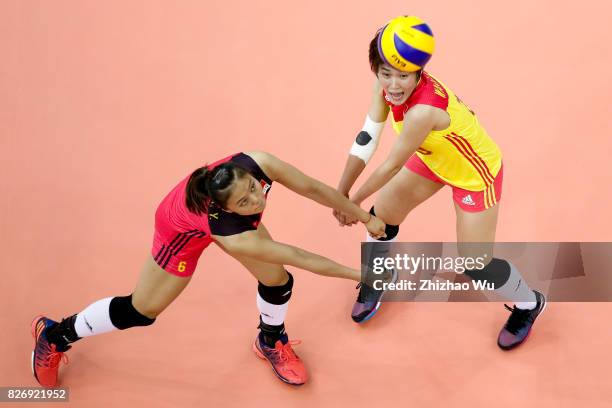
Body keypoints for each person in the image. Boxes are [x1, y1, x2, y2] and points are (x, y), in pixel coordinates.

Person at [31, 151, 386, 388]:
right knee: (142, 311)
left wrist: (365, 217)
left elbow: (311, 188)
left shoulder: (257, 162)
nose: (257, 199)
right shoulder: (232, 233)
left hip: (222, 221)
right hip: (180, 232)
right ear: (228, 209)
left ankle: (269, 340)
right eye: (245, 202)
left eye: (253, 188)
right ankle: (56, 334)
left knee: (276, 280)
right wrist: (360, 275)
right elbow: (298, 254)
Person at [333, 16, 546, 349]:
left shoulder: (423, 112)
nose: (392, 84)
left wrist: (351, 203)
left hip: (474, 173)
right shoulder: (385, 84)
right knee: (382, 217)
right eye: (385, 73)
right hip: (432, 156)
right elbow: (368, 135)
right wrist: (341, 191)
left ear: (418, 73)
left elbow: (391, 164)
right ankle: (378, 276)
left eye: (402, 76)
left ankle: (529, 303)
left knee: (476, 264)